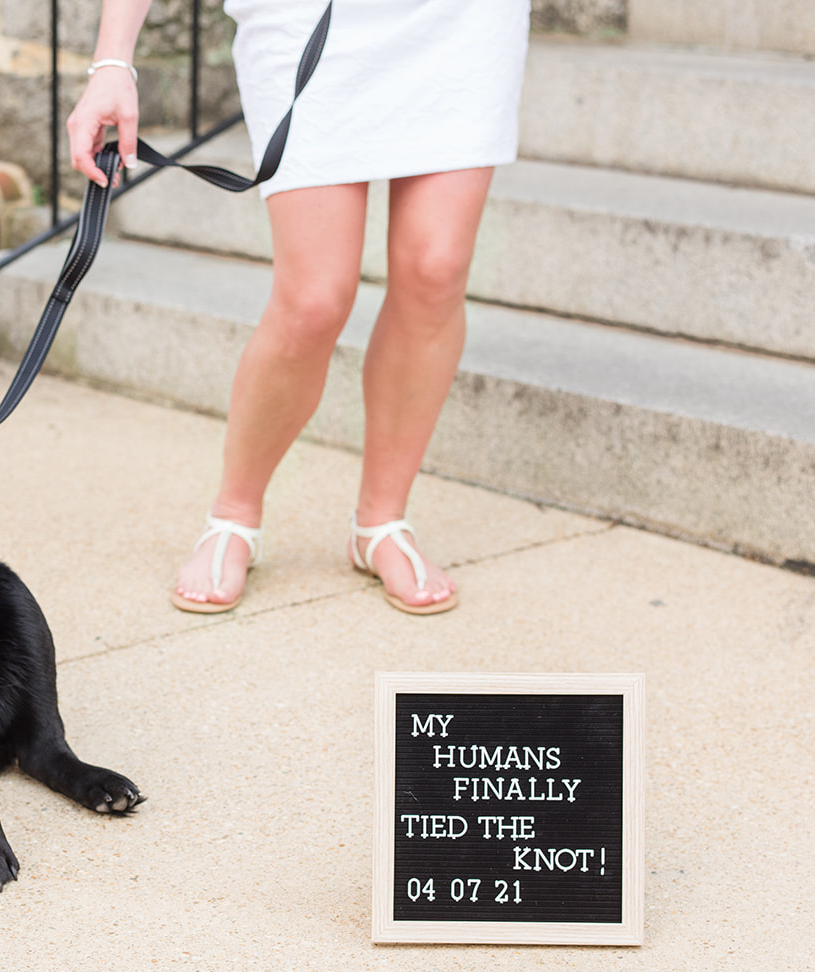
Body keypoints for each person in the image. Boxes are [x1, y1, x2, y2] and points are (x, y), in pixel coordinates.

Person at [67, 0, 530, 615]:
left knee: (434, 273)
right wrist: (112, 59)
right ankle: (233, 514)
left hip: (462, 22)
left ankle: (381, 523)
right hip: (306, 17)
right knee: (314, 298)